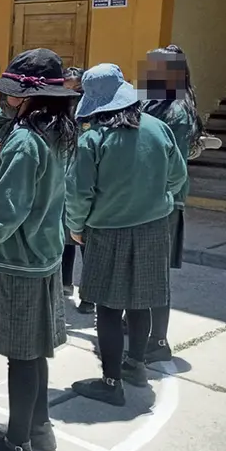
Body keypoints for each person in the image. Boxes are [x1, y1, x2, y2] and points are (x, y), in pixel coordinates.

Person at [0, 48, 77, 451]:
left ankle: (18, 444)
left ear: (27, 98)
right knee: (34, 351)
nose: (3, 100)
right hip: (43, 254)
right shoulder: (57, 131)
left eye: (9, 95)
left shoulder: (26, 142)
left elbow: (3, 212)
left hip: (19, 261)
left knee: (21, 356)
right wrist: (15, 109)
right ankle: (38, 427)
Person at [67, 63, 187, 406]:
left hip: (107, 232)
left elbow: (79, 192)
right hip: (153, 228)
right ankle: (136, 365)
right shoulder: (158, 128)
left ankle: (111, 381)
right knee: (141, 300)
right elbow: (177, 177)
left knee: (106, 307)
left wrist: (76, 226)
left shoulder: (92, 138)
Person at [138, 45, 199, 364]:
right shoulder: (159, 101)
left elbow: (168, 161)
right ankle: (135, 325)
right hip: (148, 198)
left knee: (155, 271)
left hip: (161, 202)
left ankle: (158, 339)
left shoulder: (175, 110)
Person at [57, 67, 95, 315]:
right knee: (64, 239)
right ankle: (64, 284)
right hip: (64, 179)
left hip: (84, 180)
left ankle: (89, 296)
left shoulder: (91, 107)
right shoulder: (60, 103)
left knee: (85, 242)